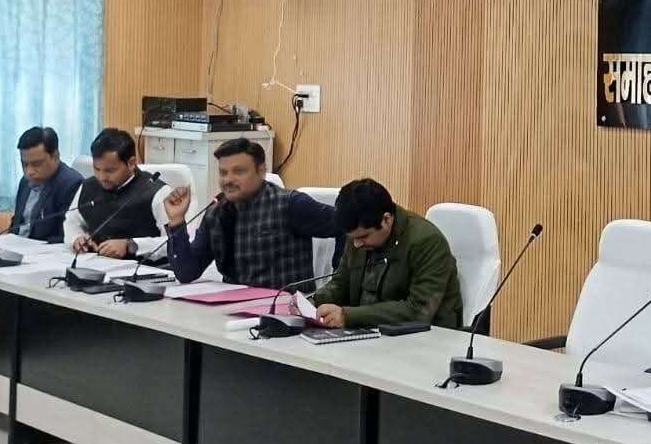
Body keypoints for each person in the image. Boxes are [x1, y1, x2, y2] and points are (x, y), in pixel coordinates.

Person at [163, 138, 339, 289]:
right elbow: (187, 272)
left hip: (282, 310)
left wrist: (338, 284)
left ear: (261, 171)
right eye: (223, 173)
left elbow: (346, 225)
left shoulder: (290, 204)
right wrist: (177, 220)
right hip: (231, 308)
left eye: (239, 171)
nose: (228, 180)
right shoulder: (215, 213)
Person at [310, 178, 463, 330]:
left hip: (423, 336)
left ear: (386, 220)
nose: (356, 244)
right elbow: (341, 283)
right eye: (352, 238)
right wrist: (311, 303)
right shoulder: (359, 234)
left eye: (363, 237)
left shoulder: (428, 242)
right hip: (368, 331)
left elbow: (418, 310)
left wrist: (348, 316)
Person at [62, 128, 173, 260]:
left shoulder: (158, 192)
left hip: (144, 267)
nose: (102, 177)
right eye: (97, 169)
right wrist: (77, 238)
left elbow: (175, 242)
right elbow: (72, 222)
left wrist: (132, 245)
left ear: (131, 163)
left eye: (110, 171)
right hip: (95, 263)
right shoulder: (88, 186)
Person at [10, 127, 83, 243]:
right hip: (17, 247)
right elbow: (17, 223)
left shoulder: (71, 184)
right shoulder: (25, 181)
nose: (29, 171)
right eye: (24, 164)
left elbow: (66, 236)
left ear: (55, 156)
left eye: (36, 164)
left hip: (45, 251)